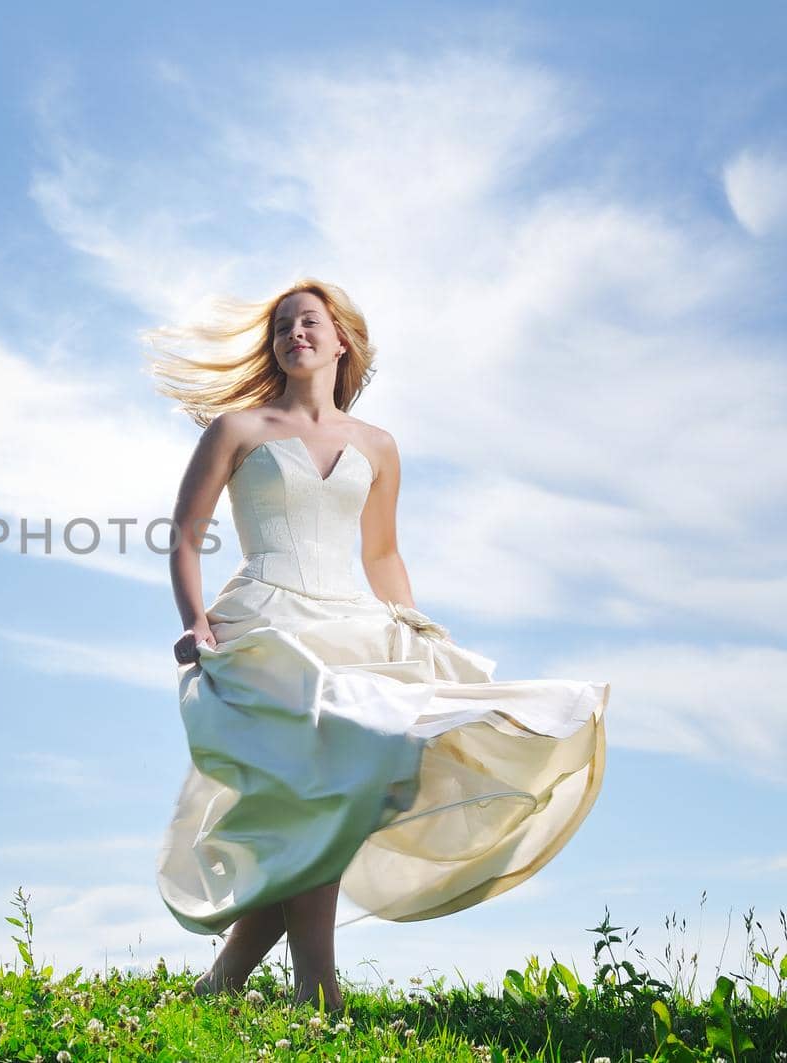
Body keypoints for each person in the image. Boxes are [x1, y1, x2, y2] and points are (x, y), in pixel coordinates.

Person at [147, 278, 609, 1013]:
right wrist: (194, 618)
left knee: (335, 797)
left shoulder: (378, 446)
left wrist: (416, 630)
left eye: (309, 323)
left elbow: (383, 553)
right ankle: (317, 989)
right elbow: (183, 535)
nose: (295, 333)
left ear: (340, 342)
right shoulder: (238, 430)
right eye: (283, 327)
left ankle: (227, 980)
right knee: (316, 796)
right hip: (266, 630)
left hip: (356, 626)